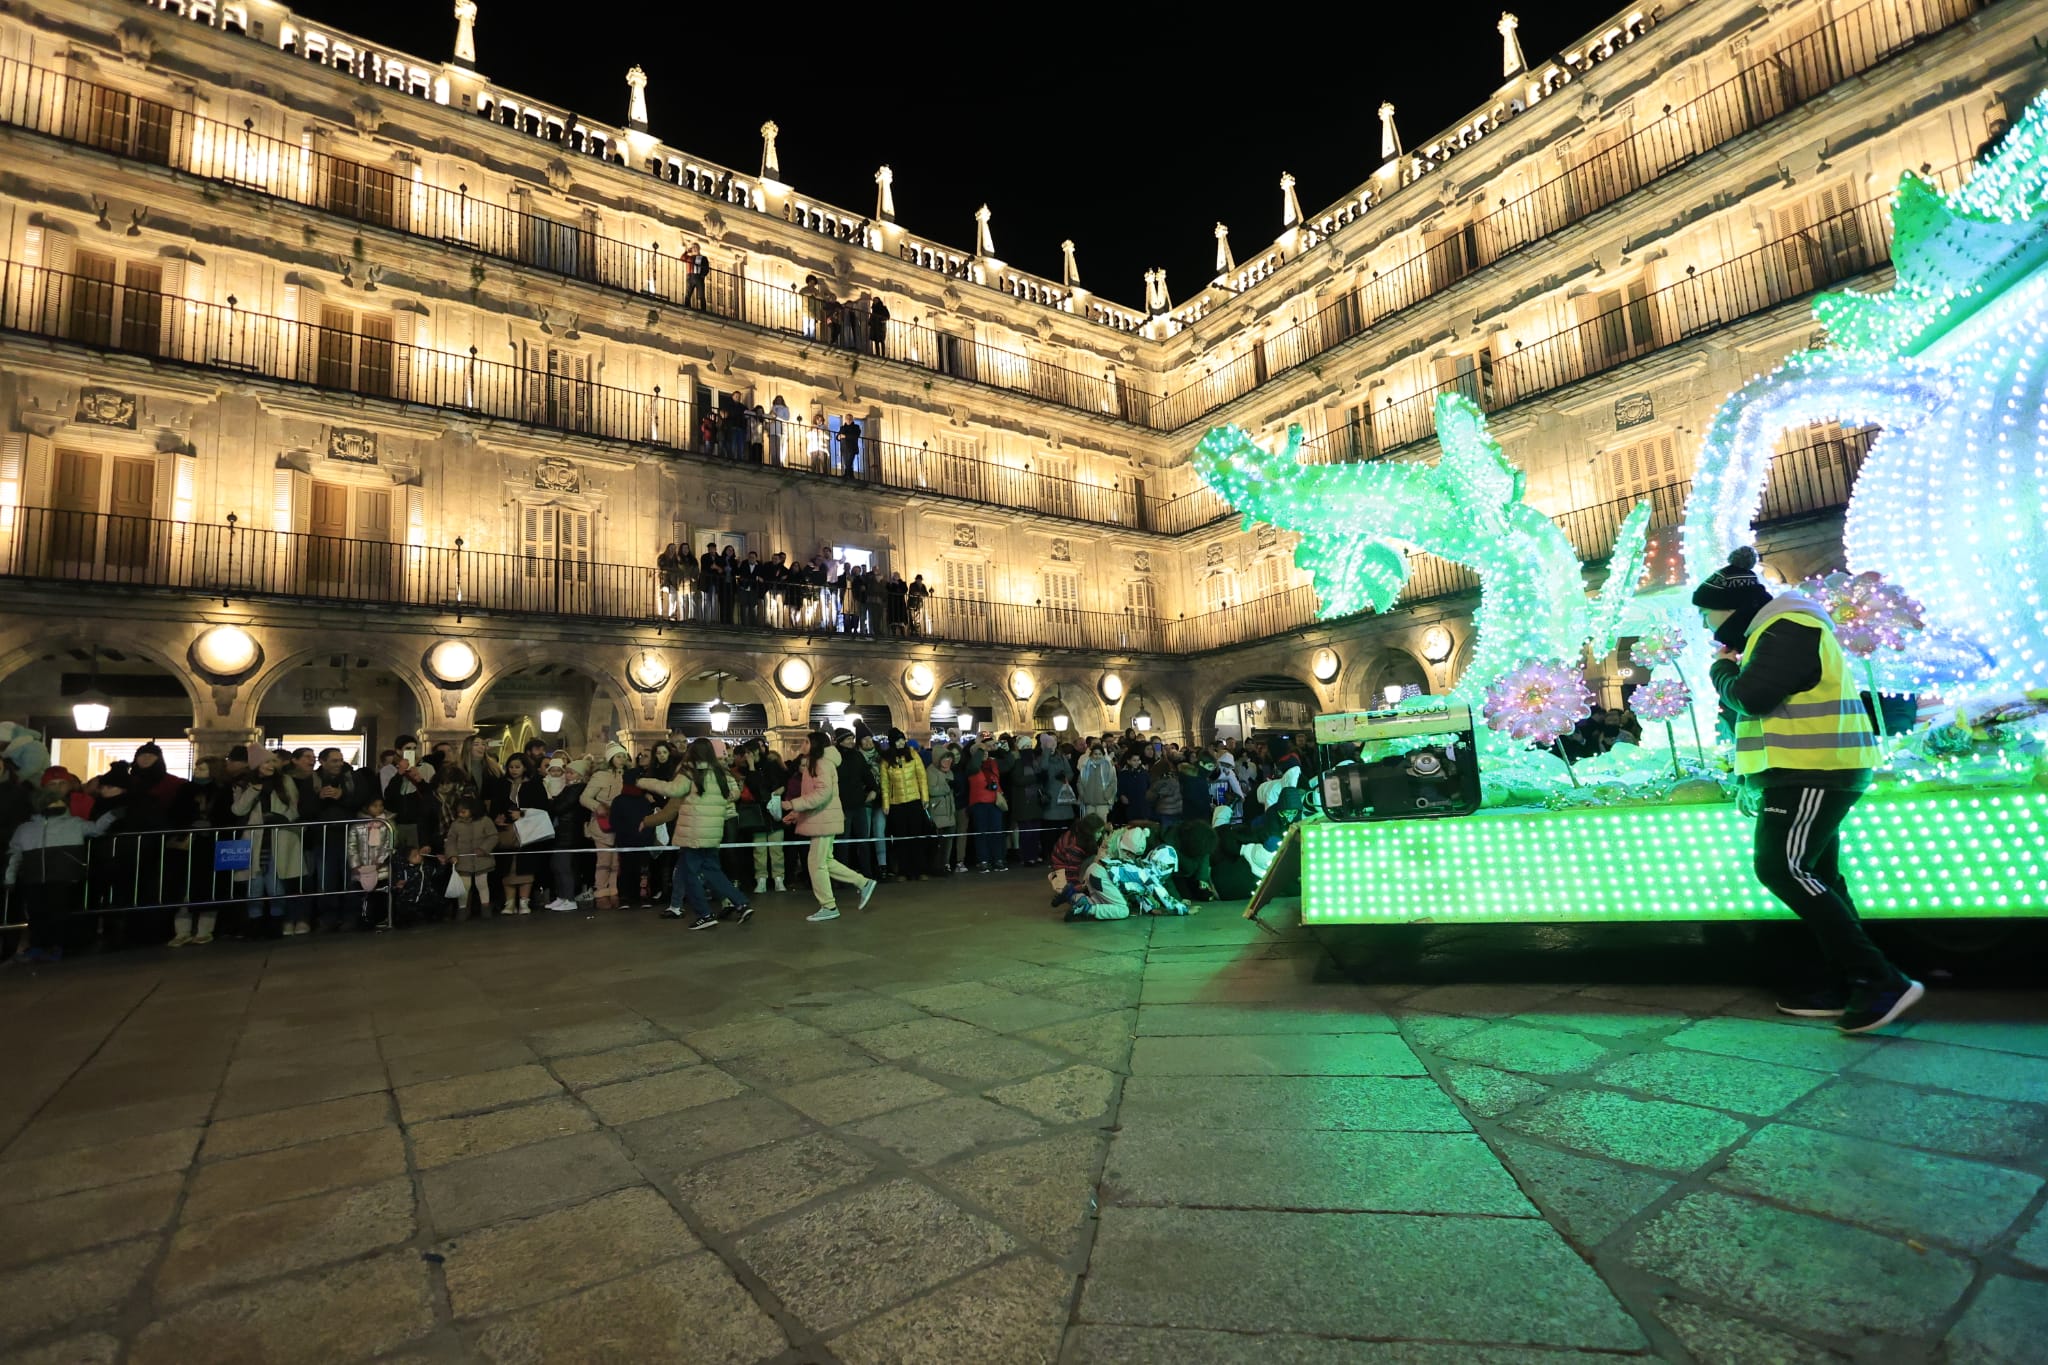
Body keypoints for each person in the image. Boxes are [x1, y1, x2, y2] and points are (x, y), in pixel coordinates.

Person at [1694, 545, 1920, 1034]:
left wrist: (1721, 670)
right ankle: (1848, 982)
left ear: (1731, 610)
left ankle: (1879, 979)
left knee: (1780, 867)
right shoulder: (1772, 632)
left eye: (1708, 614)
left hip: (1814, 770)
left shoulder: (1788, 626)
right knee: (1818, 874)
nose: (1708, 627)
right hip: (1804, 769)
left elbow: (1753, 698)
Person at [645, 738, 752, 929]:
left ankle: (705, 914)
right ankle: (740, 902)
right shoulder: (720, 772)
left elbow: (672, 790)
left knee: (689, 873)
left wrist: (644, 781)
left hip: (693, 832)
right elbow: (733, 795)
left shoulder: (688, 772)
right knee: (713, 871)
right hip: (713, 831)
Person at [5, 785, 120, 963]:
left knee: (57, 913)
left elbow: (96, 828)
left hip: (63, 876)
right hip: (36, 878)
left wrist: (111, 815)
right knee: (37, 914)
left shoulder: (74, 823)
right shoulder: (25, 829)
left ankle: (54, 946)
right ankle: (39, 946)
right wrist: (9, 877)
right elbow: (14, 854)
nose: (56, 804)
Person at [783, 731, 878, 922]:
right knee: (825, 860)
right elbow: (819, 794)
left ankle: (829, 905)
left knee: (817, 863)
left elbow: (822, 793)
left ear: (815, 744)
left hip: (823, 819)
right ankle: (863, 882)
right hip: (822, 819)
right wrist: (797, 813)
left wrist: (795, 805)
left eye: (806, 741)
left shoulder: (820, 763)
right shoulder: (819, 763)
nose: (802, 744)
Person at [233, 754, 305, 935]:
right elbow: (238, 809)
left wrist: (282, 818)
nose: (271, 765)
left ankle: (275, 923)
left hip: (278, 837)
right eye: (266, 761)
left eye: (273, 761)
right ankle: (255, 924)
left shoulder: (284, 781)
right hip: (254, 838)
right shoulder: (245, 783)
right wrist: (254, 789)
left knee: (276, 885)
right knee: (254, 885)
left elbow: (294, 808)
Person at [879, 728, 932, 880]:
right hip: (897, 804)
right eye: (898, 740)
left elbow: (921, 777)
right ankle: (903, 871)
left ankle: (920, 869)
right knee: (901, 838)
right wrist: (886, 804)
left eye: (902, 739)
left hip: (914, 801)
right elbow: (885, 784)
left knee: (917, 836)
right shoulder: (886, 760)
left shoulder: (914, 755)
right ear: (892, 742)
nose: (901, 742)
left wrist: (925, 798)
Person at [735, 744, 787, 893]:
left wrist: (781, 788)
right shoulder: (745, 770)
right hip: (756, 813)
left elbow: (777, 782)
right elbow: (754, 787)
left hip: (773, 810)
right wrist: (751, 767)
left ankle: (778, 878)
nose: (746, 756)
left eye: (748, 752)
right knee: (759, 849)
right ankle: (761, 878)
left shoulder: (770, 766)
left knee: (777, 848)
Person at [833, 729, 881, 879]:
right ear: (840, 740)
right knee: (843, 843)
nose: (851, 742)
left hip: (859, 804)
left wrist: (874, 789)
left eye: (852, 739)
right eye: (848, 739)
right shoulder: (834, 757)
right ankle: (844, 876)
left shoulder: (857, 755)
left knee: (863, 841)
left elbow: (866, 774)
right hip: (842, 806)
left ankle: (866, 873)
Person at [442, 795, 498, 919]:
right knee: (464, 887)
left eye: (463, 812)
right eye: (459, 812)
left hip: (482, 860)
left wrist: (484, 848)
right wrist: (451, 855)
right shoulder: (455, 824)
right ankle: (462, 910)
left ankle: (485, 909)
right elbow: (450, 841)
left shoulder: (485, 820)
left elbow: (493, 836)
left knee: (482, 884)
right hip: (462, 861)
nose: (460, 814)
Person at [965, 754, 1006, 872]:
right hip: (979, 803)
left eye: (986, 752)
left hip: (995, 802)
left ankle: (998, 859)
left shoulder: (993, 764)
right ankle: (983, 860)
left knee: (997, 832)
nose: (985, 754)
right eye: (981, 752)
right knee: (981, 833)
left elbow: (999, 776)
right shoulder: (972, 767)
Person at [926, 749, 959, 876]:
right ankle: (936, 867)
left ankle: (945, 865)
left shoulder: (950, 772)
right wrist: (948, 787)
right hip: (937, 812)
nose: (948, 761)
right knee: (938, 842)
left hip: (950, 812)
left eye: (950, 758)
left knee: (948, 842)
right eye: (945, 758)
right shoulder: (931, 771)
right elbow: (931, 790)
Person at [1076, 739, 1117, 822]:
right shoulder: (1085, 767)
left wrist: (1107, 795)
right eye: (1095, 754)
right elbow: (1079, 782)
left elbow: (1113, 782)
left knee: (1101, 827)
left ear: (1103, 755)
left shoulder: (1108, 767)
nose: (1097, 756)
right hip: (1089, 803)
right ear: (1091, 755)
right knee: (1089, 827)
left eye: (1099, 754)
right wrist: (1083, 795)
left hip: (1103, 802)